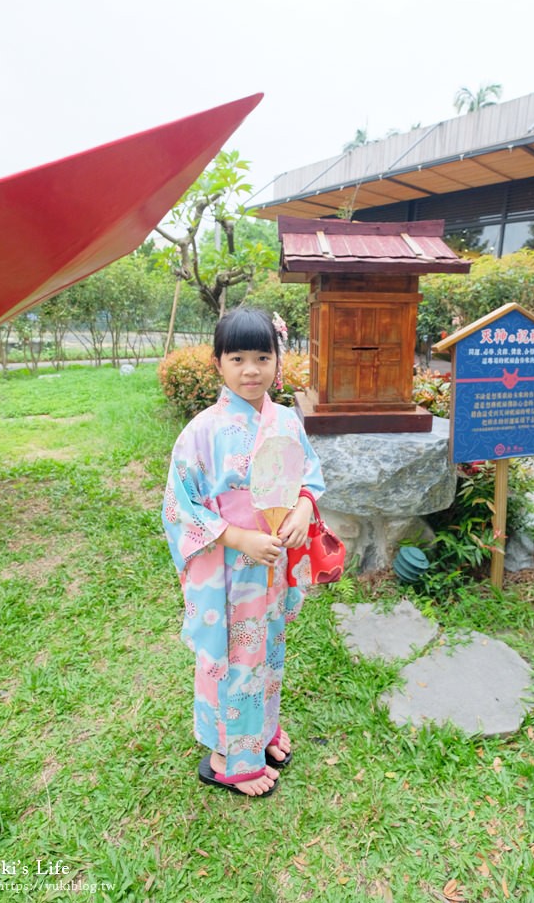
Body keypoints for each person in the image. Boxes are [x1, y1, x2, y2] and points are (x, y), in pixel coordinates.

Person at [162, 307, 325, 798]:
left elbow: (309, 476)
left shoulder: (286, 421)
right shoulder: (202, 432)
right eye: (237, 358)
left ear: (278, 360)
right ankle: (228, 754)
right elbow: (178, 505)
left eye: (262, 357)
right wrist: (236, 537)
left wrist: (301, 509)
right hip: (227, 570)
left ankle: (260, 732)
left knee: (268, 650)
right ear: (218, 364)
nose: (251, 370)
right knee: (232, 658)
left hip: (271, 564)